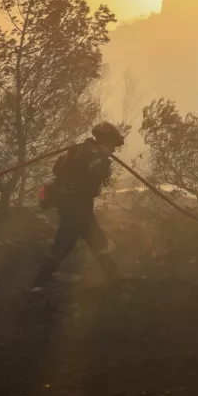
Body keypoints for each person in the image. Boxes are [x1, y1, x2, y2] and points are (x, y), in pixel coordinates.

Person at [32, 122, 125, 290]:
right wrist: (103, 159)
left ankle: (117, 281)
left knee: (89, 243)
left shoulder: (82, 150)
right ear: (106, 140)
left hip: (76, 206)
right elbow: (96, 171)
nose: (113, 150)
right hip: (77, 207)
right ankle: (37, 284)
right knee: (68, 246)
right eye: (113, 145)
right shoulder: (92, 152)